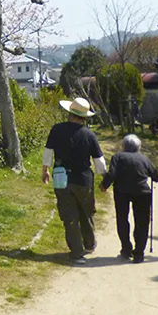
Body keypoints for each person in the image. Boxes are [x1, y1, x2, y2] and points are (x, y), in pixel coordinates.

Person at [42, 97, 107, 265]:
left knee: (69, 215)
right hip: (84, 179)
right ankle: (89, 244)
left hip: (61, 177)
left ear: (69, 113)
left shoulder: (56, 130)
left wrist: (45, 170)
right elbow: (99, 162)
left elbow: (48, 151)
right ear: (84, 118)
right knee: (86, 212)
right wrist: (104, 178)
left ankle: (76, 253)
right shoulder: (89, 135)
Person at [99, 134, 158, 263]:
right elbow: (157, 177)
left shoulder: (118, 156)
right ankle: (139, 253)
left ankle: (126, 249)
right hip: (142, 192)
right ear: (138, 147)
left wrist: (104, 185)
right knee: (142, 222)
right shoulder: (144, 158)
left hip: (122, 192)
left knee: (122, 219)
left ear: (124, 146)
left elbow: (112, 174)